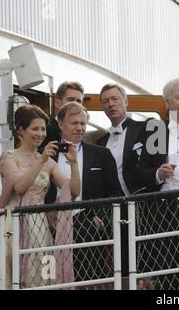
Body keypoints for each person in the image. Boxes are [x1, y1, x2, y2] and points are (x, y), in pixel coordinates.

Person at [0, 104, 80, 288]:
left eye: (43, 129)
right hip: (14, 223)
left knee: (43, 273)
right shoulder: (9, 157)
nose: (40, 133)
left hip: (40, 225)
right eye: (35, 128)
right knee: (14, 274)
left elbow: (73, 191)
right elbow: (19, 186)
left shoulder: (47, 161)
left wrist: (73, 163)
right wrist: (41, 160)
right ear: (20, 130)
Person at [47, 102, 123, 283]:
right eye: (74, 123)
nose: (80, 128)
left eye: (83, 123)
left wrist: (100, 219)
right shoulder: (45, 154)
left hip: (87, 227)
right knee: (50, 279)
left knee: (89, 281)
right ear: (60, 124)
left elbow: (116, 193)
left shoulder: (101, 154)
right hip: (49, 230)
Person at [96, 83, 146, 280]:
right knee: (118, 260)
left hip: (139, 204)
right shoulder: (100, 141)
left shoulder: (144, 129)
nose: (111, 104)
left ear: (126, 101)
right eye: (106, 101)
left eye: (115, 99)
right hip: (113, 208)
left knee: (142, 257)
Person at [39, 81, 84, 151]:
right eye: (70, 100)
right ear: (57, 103)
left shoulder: (82, 131)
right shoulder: (44, 130)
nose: (75, 104)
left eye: (78, 101)